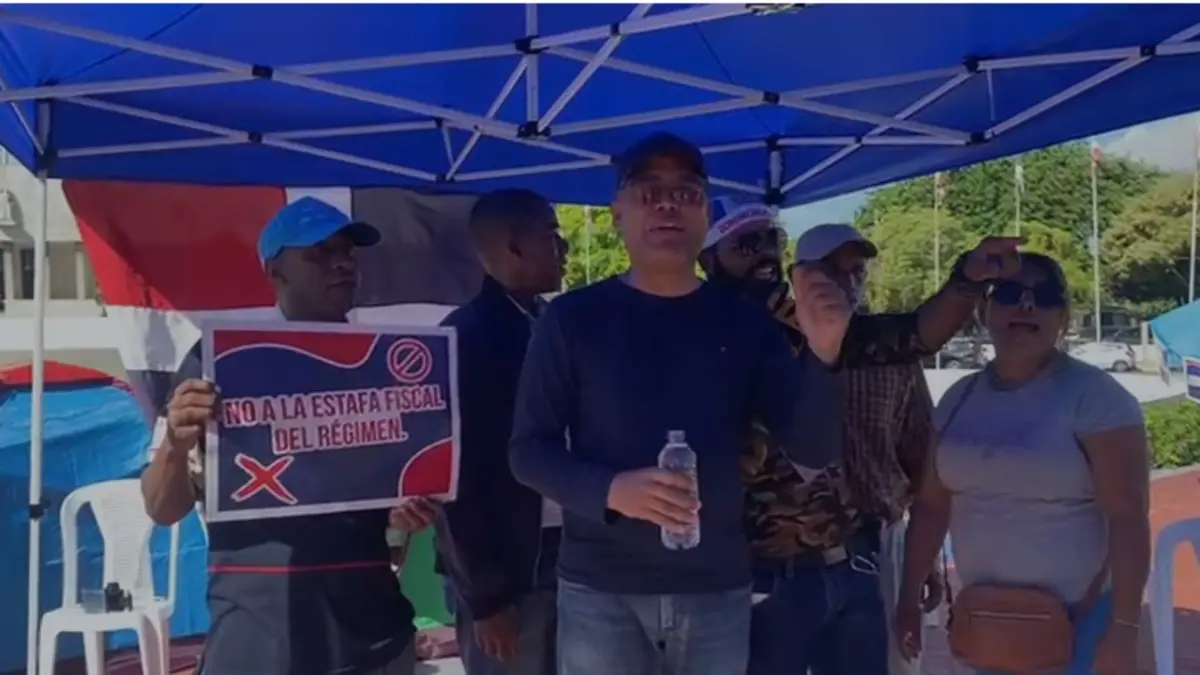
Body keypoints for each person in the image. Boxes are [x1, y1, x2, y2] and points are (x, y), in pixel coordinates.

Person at [507, 132, 852, 675]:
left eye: (686, 192)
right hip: (601, 591)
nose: (668, 204)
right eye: (648, 192)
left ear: (704, 214)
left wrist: (825, 353)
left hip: (716, 590)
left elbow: (813, 450)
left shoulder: (745, 324)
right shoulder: (572, 320)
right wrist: (611, 490)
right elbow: (528, 451)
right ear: (618, 213)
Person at [697, 202, 1019, 675]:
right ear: (706, 260)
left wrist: (968, 277)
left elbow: (916, 335)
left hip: (853, 565)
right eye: (745, 244)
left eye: (772, 240)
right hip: (763, 580)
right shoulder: (696, 339)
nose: (764, 254)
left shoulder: (815, 323)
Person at [139, 197, 419, 675]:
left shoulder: (385, 366)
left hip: (371, 630)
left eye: (348, 252)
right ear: (275, 271)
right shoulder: (216, 361)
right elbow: (162, 508)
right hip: (258, 630)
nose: (342, 263)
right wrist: (177, 443)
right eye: (318, 252)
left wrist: (407, 512)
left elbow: (396, 529)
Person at [896, 253, 1150, 675]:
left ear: (1063, 316)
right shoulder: (958, 398)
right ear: (985, 310)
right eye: (1011, 293)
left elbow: (1127, 517)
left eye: (1046, 297)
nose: (1027, 306)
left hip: (1081, 624)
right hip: (985, 626)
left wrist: (1124, 630)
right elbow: (931, 508)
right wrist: (907, 599)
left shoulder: (1098, 398)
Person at [434, 188, 568, 675]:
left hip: (572, 556)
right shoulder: (461, 339)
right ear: (513, 248)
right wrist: (485, 600)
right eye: (553, 236)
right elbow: (453, 482)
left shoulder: (554, 322)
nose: (566, 248)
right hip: (506, 571)